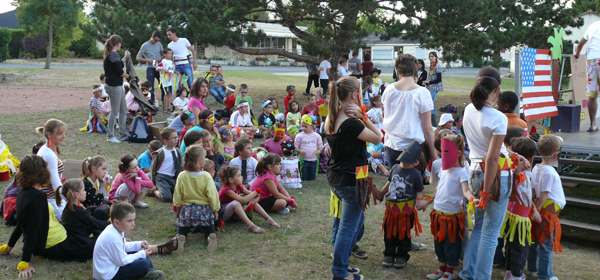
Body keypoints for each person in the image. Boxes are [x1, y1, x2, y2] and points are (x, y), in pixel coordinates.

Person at [459, 66, 528, 280]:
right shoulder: (498, 117)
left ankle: (468, 273)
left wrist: (513, 155)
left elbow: (489, 149)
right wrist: (488, 192)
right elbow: (491, 157)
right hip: (495, 178)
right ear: (497, 90)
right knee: (490, 234)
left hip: (475, 173)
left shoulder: (469, 109)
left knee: (479, 229)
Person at [324, 76, 382, 280]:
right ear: (353, 95)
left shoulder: (331, 117)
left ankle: (343, 263)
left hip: (339, 178)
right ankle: (339, 272)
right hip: (351, 181)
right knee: (348, 228)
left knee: (349, 224)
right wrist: (364, 117)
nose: (362, 96)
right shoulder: (351, 123)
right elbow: (378, 138)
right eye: (360, 92)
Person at [424, 135, 474, 280]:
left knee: (451, 244)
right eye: (441, 151)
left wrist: (473, 199)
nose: (440, 154)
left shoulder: (462, 172)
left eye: (445, 151)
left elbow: (466, 191)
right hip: (438, 214)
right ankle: (441, 268)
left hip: (452, 217)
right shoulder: (443, 170)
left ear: (457, 153)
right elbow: (439, 189)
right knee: (439, 242)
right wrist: (428, 201)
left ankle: (449, 272)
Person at [93, 202, 183, 280]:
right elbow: (122, 261)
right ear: (117, 222)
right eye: (129, 221)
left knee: (142, 255)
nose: (133, 224)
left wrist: (139, 245)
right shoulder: (112, 237)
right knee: (143, 263)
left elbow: (124, 246)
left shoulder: (115, 229)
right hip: (108, 276)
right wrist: (141, 254)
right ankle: (147, 273)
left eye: (133, 220)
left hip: (114, 265)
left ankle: (149, 273)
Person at [375, 141, 425, 269]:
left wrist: (419, 202)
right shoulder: (395, 168)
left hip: (406, 212)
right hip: (391, 211)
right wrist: (381, 192)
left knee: (404, 234)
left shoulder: (416, 174)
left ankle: (402, 256)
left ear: (416, 162)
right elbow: (390, 182)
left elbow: (420, 190)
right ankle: (389, 254)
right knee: (389, 233)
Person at [382, 54, 437, 168]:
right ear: (415, 70)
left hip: (392, 146)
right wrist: (435, 155)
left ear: (398, 71)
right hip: (413, 149)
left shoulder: (389, 89)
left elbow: (386, 115)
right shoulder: (422, 93)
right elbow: (427, 128)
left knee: (396, 183)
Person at [499, 137, 539, 280]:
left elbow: (527, 197)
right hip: (518, 218)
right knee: (520, 247)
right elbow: (514, 191)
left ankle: (510, 272)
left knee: (511, 245)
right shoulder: (516, 174)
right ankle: (515, 275)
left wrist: (534, 209)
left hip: (515, 215)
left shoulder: (521, 173)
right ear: (531, 158)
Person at [528, 135, 565, 280]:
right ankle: (546, 275)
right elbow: (543, 196)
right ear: (556, 155)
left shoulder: (537, 168)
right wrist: (535, 211)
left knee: (535, 241)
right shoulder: (549, 172)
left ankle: (533, 268)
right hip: (546, 214)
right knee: (545, 245)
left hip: (542, 211)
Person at [172, 145, 220, 251]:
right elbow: (212, 195)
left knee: (182, 229)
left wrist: (178, 207)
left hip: (187, 210)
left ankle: (180, 238)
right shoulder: (206, 176)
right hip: (204, 211)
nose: (206, 159)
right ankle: (210, 237)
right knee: (209, 228)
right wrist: (215, 209)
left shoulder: (182, 175)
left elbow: (177, 193)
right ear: (199, 160)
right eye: (204, 157)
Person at [218, 166, 281, 233]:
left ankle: (269, 220)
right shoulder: (227, 190)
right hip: (223, 214)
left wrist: (249, 205)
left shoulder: (239, 187)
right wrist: (255, 192)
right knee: (236, 203)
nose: (242, 177)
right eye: (239, 176)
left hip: (235, 214)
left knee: (252, 201)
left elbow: (257, 196)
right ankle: (250, 225)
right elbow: (243, 200)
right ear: (231, 180)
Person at [60, 179, 111, 248]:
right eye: (83, 190)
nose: (85, 192)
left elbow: (88, 216)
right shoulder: (78, 211)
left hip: (78, 236)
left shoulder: (71, 207)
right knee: (101, 239)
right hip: (80, 241)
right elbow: (95, 223)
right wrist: (111, 223)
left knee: (97, 211)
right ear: (77, 195)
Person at [36, 119, 67, 221]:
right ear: (49, 135)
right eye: (60, 134)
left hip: (52, 199)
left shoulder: (49, 149)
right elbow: (56, 186)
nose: (64, 137)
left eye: (64, 133)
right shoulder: (49, 155)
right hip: (51, 201)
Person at [103, 34, 130, 143]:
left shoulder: (113, 55)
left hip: (117, 86)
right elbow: (120, 72)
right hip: (114, 87)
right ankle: (110, 136)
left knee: (123, 110)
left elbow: (119, 64)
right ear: (118, 44)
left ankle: (123, 134)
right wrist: (130, 77)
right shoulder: (112, 56)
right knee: (114, 111)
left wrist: (125, 57)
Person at [574, 20, 600, 131]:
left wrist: (577, 54)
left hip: (592, 60)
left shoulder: (592, 26)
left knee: (592, 93)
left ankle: (593, 124)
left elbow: (580, 44)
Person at [150, 127, 182, 203]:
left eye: (177, 137)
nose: (176, 139)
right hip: (162, 178)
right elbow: (153, 168)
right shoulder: (160, 153)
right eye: (173, 138)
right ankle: (154, 191)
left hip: (173, 177)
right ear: (165, 141)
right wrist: (153, 183)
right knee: (167, 198)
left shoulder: (177, 151)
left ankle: (168, 189)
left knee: (179, 195)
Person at [81, 156, 112, 221]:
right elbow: (95, 202)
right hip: (87, 212)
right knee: (105, 207)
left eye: (106, 169)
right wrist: (103, 188)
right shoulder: (86, 183)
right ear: (94, 169)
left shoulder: (97, 181)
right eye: (103, 169)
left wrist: (108, 199)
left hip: (94, 208)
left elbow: (98, 196)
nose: (105, 172)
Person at [136, 31, 164, 105]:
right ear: (152, 37)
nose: (156, 42)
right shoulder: (145, 45)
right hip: (150, 67)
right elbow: (138, 57)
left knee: (162, 85)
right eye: (155, 40)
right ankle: (151, 103)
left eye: (158, 40)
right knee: (150, 87)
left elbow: (163, 54)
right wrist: (147, 60)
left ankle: (164, 102)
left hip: (159, 67)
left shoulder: (159, 44)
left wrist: (160, 58)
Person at [295, 114, 323, 181]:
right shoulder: (299, 136)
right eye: (302, 126)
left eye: (306, 126)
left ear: (311, 126)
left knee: (312, 178)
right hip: (303, 160)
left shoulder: (317, 136)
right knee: (304, 177)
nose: (303, 128)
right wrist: (300, 151)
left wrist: (319, 151)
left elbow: (320, 146)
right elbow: (295, 147)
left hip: (314, 160)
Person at [423, 52, 444, 125]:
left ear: (436, 57)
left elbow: (438, 79)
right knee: (431, 103)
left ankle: (433, 122)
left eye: (432, 56)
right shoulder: (431, 66)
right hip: (430, 87)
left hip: (435, 87)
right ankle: (431, 121)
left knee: (431, 103)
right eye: (429, 56)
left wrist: (429, 82)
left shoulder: (437, 66)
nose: (430, 58)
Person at [156, 48, 177, 113]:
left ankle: (168, 106)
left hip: (171, 81)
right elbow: (157, 68)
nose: (170, 55)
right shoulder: (163, 61)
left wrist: (175, 72)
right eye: (169, 53)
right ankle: (165, 107)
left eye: (171, 53)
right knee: (167, 93)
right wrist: (163, 69)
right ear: (164, 54)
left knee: (170, 94)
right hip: (165, 81)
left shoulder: (171, 62)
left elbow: (172, 70)